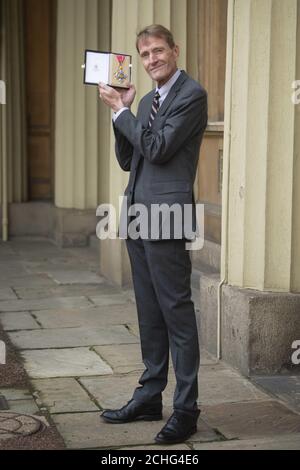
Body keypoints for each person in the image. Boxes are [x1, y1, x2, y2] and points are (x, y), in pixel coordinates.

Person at [98, 24, 207, 445]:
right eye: (144, 55)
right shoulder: (145, 99)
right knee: (149, 313)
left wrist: (125, 115)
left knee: (177, 314)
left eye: (158, 51)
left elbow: (159, 148)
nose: (151, 60)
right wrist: (120, 111)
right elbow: (130, 158)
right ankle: (149, 396)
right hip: (138, 216)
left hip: (168, 216)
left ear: (174, 51)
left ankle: (186, 409)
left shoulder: (191, 96)